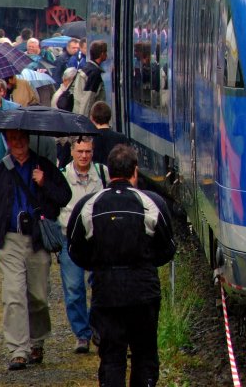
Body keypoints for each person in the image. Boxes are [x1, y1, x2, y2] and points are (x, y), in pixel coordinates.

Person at [67, 144, 176, 387]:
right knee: (144, 354)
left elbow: (75, 249)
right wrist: (147, 264)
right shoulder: (152, 203)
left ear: (109, 171)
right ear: (135, 171)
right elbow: (168, 247)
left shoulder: (89, 204)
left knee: (111, 356)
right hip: (143, 290)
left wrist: (98, 265)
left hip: (106, 290)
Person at [0, 129, 71, 371]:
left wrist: (44, 183)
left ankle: (36, 341)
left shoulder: (43, 166)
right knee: (14, 295)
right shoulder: (0, 171)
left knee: (38, 297)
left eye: (21, 138)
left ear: (28, 140)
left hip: (37, 240)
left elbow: (64, 196)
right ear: (7, 142)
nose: (18, 143)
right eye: (13, 139)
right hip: (10, 240)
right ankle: (18, 350)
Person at [59, 136, 107, 354]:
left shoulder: (103, 173)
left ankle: (96, 327)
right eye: (80, 151)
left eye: (88, 151)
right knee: (73, 289)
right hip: (70, 239)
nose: (84, 156)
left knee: (101, 286)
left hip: (98, 240)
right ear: (72, 152)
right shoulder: (61, 176)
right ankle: (81, 334)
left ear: (93, 152)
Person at [73, 40, 107, 118]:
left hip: (78, 111)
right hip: (85, 116)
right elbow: (88, 99)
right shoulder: (94, 73)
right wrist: (84, 120)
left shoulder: (87, 68)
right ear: (102, 54)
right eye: (106, 52)